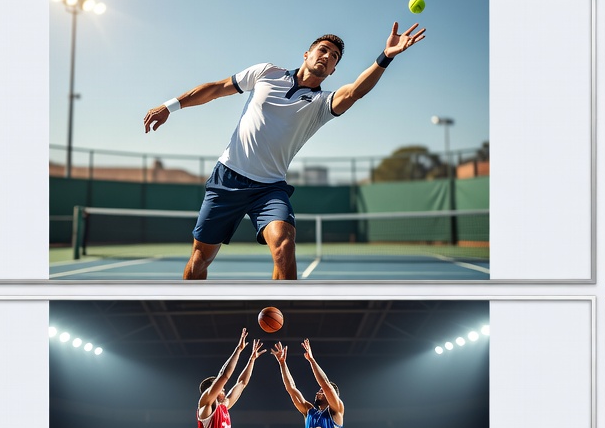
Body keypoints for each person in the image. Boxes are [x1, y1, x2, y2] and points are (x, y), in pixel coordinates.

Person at [143, 23, 427, 280]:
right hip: (227, 179)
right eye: (323, 50)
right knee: (200, 259)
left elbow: (354, 92)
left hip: (269, 190)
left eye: (334, 58)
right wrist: (170, 106)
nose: (327, 57)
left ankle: (281, 313)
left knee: (284, 245)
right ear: (307, 54)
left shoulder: (321, 104)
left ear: (333, 71)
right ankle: (192, 306)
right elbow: (216, 89)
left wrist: (386, 56)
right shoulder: (267, 72)